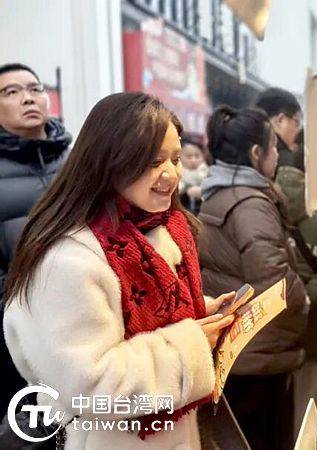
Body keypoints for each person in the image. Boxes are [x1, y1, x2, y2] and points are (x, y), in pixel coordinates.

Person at [3, 92, 236, 449]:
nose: (171, 174)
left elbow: (133, 318)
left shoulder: (155, 230)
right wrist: (190, 345)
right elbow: (90, 387)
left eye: (175, 159)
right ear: (111, 161)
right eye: (153, 161)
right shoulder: (67, 259)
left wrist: (200, 312)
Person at [198, 106, 309, 450]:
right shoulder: (250, 204)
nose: (278, 155)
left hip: (239, 354)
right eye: (273, 147)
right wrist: (303, 298)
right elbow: (275, 282)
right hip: (260, 358)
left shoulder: (218, 193)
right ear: (256, 153)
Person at [0, 63, 72, 414]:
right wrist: (16, 303)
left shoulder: (75, 161)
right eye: (11, 92)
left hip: (81, 318)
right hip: (16, 330)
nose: (27, 98)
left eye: (35, 88)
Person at [253, 87, 317, 339]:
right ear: (281, 119)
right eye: (296, 122)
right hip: (295, 293)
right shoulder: (284, 160)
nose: (297, 130)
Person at [178, 136, 208, 215]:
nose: (193, 160)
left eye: (197, 156)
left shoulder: (208, 173)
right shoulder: (177, 175)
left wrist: (202, 191)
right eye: (189, 156)